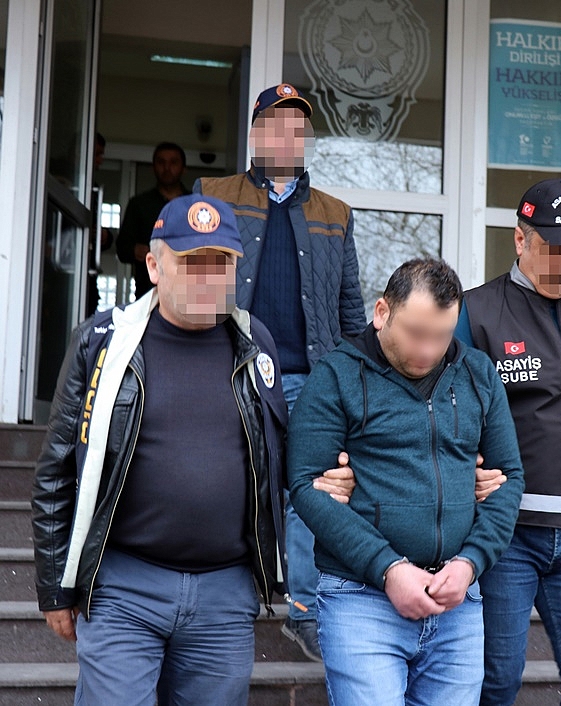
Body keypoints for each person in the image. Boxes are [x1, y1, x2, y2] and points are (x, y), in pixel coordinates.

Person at [31, 193, 354, 706]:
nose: (209, 278)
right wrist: (55, 587)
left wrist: (323, 476)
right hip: (123, 588)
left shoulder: (257, 342)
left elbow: (280, 454)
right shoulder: (103, 342)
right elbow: (56, 471)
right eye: (192, 263)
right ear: (154, 267)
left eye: (221, 264)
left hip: (224, 597)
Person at [287, 257, 525, 705]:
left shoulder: (478, 373)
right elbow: (306, 485)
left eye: (441, 335)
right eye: (415, 333)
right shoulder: (336, 375)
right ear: (382, 312)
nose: (427, 351)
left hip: (457, 600)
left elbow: (509, 478)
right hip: (362, 598)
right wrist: (388, 568)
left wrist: (471, 562)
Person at [194, 83, 367, 660]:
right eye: (275, 126)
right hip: (231, 368)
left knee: (309, 490)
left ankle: (303, 609)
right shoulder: (213, 196)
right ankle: (226, 596)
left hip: (310, 379)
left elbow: (350, 312)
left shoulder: (335, 214)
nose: (287, 138)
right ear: (256, 134)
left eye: (297, 129)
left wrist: (357, 380)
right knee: (231, 482)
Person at [456, 179, 561, 706]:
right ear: (520, 239)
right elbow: (445, 411)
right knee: (496, 683)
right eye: (555, 248)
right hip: (505, 534)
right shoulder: (476, 313)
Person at [116, 142, 189, 299]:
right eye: (161, 162)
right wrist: (135, 250)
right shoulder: (139, 204)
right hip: (148, 292)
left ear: (183, 168)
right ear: (153, 167)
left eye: (173, 162)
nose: (167, 168)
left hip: (190, 290)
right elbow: (122, 249)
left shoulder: (195, 205)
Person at [86, 132, 114, 316]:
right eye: (96, 154)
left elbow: (93, 231)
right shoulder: (64, 182)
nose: (100, 160)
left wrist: (104, 236)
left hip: (87, 276)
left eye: (101, 154)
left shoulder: (92, 188)